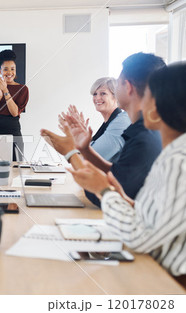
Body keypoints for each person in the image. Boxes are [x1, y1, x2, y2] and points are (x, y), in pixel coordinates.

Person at [67, 62, 186, 284]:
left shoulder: (178, 162)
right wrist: (120, 196)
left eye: (149, 96)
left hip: (166, 280)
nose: (141, 105)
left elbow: (140, 236)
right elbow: (150, 216)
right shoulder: (170, 154)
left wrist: (105, 190)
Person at [41, 52, 165, 207]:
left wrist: (70, 152)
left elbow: (115, 199)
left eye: (118, 83)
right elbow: (116, 172)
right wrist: (84, 148)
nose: (97, 98)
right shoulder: (148, 129)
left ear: (128, 87)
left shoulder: (143, 137)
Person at [67, 77, 131, 163]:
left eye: (103, 93)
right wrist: (82, 137)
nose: (97, 98)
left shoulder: (119, 124)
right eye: (95, 94)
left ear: (116, 96)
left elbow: (89, 160)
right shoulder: (107, 124)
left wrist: (67, 145)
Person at [0, 49, 29, 161]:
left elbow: (14, 112)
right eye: (5, 69)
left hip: (12, 131)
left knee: (15, 167)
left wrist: (5, 91)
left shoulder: (22, 89)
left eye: (12, 69)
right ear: (0, 71)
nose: (9, 72)